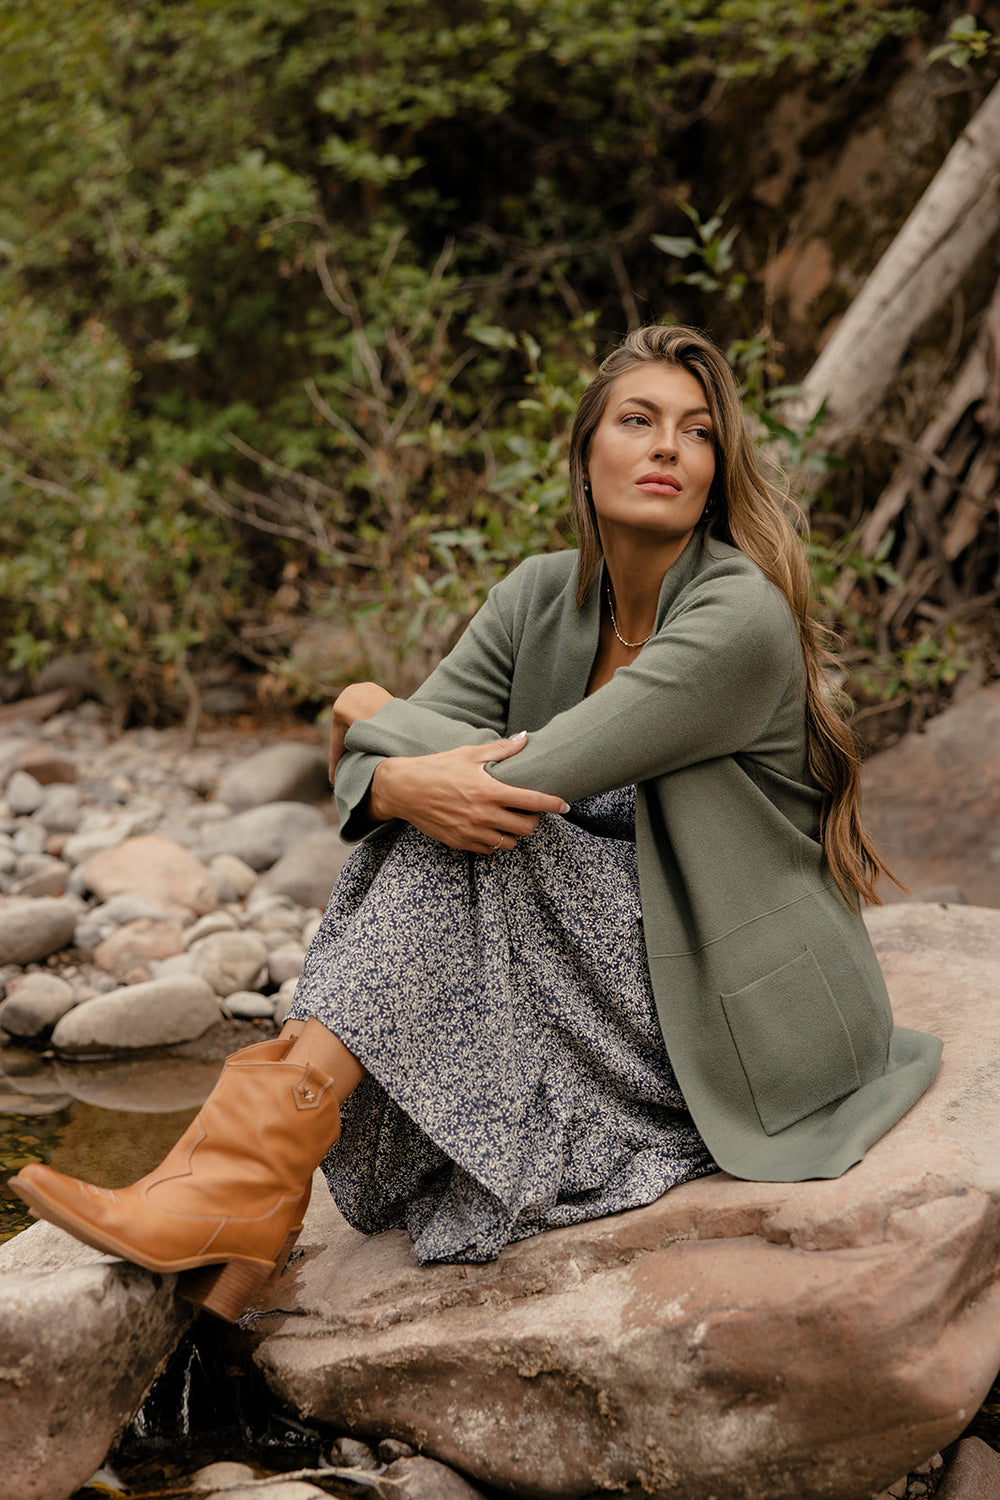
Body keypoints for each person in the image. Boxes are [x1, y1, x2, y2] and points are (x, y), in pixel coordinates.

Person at [11, 324, 942, 1322]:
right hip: (597, 975)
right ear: (586, 456)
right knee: (447, 827)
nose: (668, 447)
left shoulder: (735, 616)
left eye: (697, 431)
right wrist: (396, 773)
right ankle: (236, 1235)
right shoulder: (538, 597)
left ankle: (235, 1176)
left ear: (717, 476)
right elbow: (392, 777)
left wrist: (363, 710)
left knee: (486, 831)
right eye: (638, 421)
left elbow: (529, 774)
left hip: (727, 999)